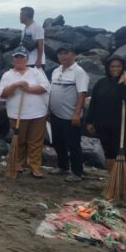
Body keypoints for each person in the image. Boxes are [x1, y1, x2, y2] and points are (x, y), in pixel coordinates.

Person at [86, 55, 126, 194]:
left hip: (120, 125)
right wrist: (89, 121)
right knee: (108, 154)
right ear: (108, 68)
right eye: (112, 66)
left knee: (120, 154)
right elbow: (94, 103)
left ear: (123, 67)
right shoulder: (101, 82)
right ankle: (114, 181)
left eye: (118, 66)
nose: (115, 69)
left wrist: (122, 84)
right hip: (102, 123)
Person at [0, 46, 50, 178]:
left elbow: (45, 87)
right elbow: (2, 94)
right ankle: (18, 163)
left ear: (27, 59)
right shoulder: (7, 75)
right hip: (17, 114)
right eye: (17, 57)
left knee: (35, 142)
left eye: (22, 57)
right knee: (19, 140)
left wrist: (29, 89)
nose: (19, 59)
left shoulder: (36, 72)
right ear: (13, 59)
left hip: (38, 113)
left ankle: (35, 166)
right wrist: (15, 85)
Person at [48, 43, 89, 182]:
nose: (63, 56)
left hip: (71, 116)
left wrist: (77, 114)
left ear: (74, 55)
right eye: (60, 53)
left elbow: (82, 94)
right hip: (55, 114)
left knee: (73, 145)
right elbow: (52, 91)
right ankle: (63, 167)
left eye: (66, 53)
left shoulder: (79, 72)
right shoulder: (56, 70)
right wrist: (49, 109)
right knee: (58, 142)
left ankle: (77, 172)